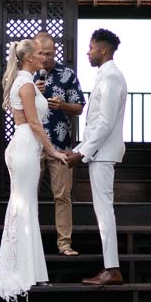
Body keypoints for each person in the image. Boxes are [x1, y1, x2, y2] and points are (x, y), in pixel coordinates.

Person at [0, 37, 66, 302]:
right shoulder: (26, 83)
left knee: (26, 205)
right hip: (25, 146)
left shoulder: (24, 80)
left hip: (26, 147)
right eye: (39, 54)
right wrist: (52, 150)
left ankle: (30, 268)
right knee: (23, 205)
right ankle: (20, 268)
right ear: (29, 58)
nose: (44, 57)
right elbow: (33, 123)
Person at [65, 27, 126, 285]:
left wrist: (82, 153)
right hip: (98, 153)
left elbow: (105, 122)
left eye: (91, 47)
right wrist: (79, 149)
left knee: (104, 212)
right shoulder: (105, 76)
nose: (88, 52)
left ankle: (112, 269)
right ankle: (110, 267)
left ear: (103, 49)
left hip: (103, 154)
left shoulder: (111, 77)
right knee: (102, 210)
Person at [30, 31, 86, 256]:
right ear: (34, 52)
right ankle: (29, 244)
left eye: (50, 53)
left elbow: (80, 107)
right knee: (28, 193)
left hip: (60, 144)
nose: (46, 58)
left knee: (62, 196)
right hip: (32, 144)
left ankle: (64, 243)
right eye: (41, 53)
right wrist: (35, 93)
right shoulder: (27, 74)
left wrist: (62, 105)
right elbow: (13, 106)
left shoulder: (66, 73)